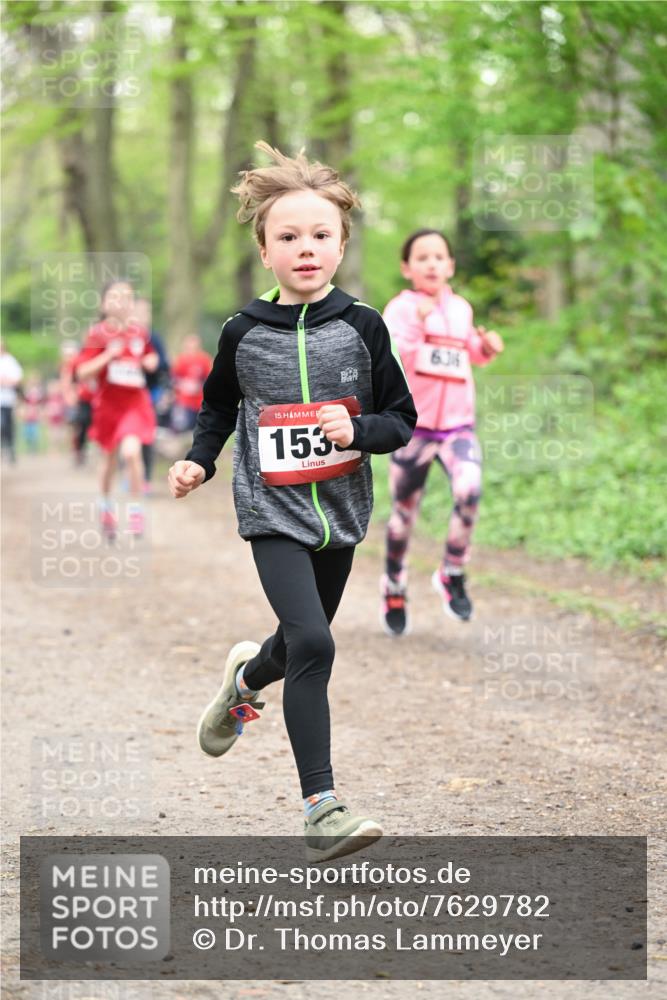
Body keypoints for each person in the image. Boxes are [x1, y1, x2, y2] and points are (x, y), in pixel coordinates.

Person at [168, 142, 416, 863]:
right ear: (265, 251)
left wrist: (358, 429)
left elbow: (400, 421)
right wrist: (195, 461)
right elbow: (216, 410)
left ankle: (244, 682)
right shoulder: (243, 331)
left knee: (292, 644)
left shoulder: (362, 326)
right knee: (313, 642)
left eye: (320, 236)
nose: (305, 248)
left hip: (338, 515)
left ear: (340, 246)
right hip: (270, 512)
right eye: (288, 237)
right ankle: (321, 809)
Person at [380, 229, 504, 636]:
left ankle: (452, 571)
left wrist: (485, 347)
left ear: (450, 265)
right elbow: (393, 357)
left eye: (439, 257)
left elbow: (469, 353)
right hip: (413, 428)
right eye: (422, 257)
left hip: (457, 426)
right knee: (403, 517)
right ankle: (394, 585)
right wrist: (416, 325)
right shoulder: (400, 309)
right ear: (407, 267)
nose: (432, 264)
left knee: (470, 491)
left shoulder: (461, 308)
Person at [76, 280, 158, 539]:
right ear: (103, 303)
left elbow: (151, 357)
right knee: (109, 460)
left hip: (135, 404)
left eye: (126, 297)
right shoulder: (96, 334)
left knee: (132, 453)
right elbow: (81, 372)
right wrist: (107, 356)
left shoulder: (139, 333)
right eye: (114, 296)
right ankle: (105, 506)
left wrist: (149, 361)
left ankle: (135, 509)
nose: (121, 301)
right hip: (108, 407)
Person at [132, 297, 170, 491]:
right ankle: (131, 476)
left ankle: (145, 479)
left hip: (150, 394)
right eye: (138, 312)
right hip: (128, 397)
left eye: (146, 313)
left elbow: (165, 365)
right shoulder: (126, 338)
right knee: (130, 439)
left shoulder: (153, 338)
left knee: (147, 437)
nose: (142, 317)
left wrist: (153, 364)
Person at [169, 334, 212, 434]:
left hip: (199, 402)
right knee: (181, 428)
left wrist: (199, 386)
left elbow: (210, 379)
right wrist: (182, 385)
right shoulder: (180, 360)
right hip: (183, 402)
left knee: (199, 430)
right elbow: (173, 379)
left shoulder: (204, 359)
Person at [0, 340, 23, 463]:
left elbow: (18, 379)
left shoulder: (10, 361)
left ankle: (10, 448)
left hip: (7, 400)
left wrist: (5, 382)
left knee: (7, 425)